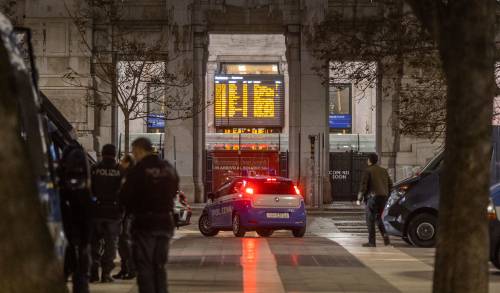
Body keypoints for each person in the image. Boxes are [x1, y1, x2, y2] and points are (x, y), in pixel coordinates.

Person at [120, 137, 179, 293]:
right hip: (165, 222)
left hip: (145, 224)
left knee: (144, 266)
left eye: (134, 151)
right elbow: (174, 190)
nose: (134, 155)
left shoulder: (138, 170)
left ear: (139, 150)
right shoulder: (168, 168)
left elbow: (125, 197)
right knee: (159, 265)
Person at [59, 142, 92, 293]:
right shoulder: (84, 186)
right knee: (81, 268)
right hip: (81, 230)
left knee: (70, 265)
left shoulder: (63, 183)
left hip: (67, 229)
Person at [90, 144, 123, 283]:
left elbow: (88, 189)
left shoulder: (94, 169)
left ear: (102, 154)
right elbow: (124, 192)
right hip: (113, 213)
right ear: (115, 154)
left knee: (94, 244)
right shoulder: (120, 170)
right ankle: (106, 273)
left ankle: (93, 272)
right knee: (111, 245)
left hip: (96, 211)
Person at [356, 153, 392, 247]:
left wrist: (359, 198)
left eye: (367, 159)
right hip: (383, 197)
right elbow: (390, 184)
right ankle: (385, 236)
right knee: (378, 218)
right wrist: (387, 195)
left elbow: (363, 185)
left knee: (370, 219)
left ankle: (372, 242)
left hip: (373, 198)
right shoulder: (384, 171)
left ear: (369, 160)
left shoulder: (368, 171)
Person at [113, 154, 137, 280]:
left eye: (122, 161)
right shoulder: (125, 175)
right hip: (125, 214)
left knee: (126, 242)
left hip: (128, 215)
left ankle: (131, 270)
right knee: (122, 243)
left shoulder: (129, 176)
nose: (120, 162)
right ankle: (124, 269)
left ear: (127, 163)